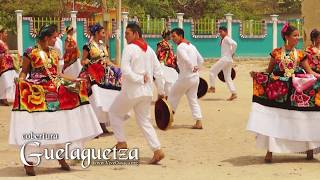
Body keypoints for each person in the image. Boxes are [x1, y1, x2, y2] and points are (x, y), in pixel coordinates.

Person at [10, 24, 102, 176]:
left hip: (54, 88)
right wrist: (20, 82)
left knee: (62, 120)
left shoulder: (55, 53)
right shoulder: (30, 52)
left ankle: (61, 156)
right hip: (37, 91)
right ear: (46, 38)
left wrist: (76, 80)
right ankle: (30, 160)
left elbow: (58, 75)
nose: (56, 39)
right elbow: (24, 72)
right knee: (37, 126)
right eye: (54, 37)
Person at [247, 23, 320, 163]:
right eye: (295, 35)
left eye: (298, 35)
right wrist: (257, 75)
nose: (297, 38)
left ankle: (309, 149)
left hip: (296, 93)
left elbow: (310, 72)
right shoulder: (276, 53)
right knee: (275, 119)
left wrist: (318, 77)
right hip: (277, 91)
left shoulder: (300, 54)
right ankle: (270, 151)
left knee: (302, 118)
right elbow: (269, 72)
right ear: (286, 37)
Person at [109, 23, 165, 164]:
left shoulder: (129, 48)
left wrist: (139, 78)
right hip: (147, 92)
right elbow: (158, 72)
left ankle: (121, 142)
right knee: (144, 121)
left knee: (114, 113)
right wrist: (161, 91)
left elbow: (125, 71)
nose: (126, 36)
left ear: (136, 34)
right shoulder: (150, 50)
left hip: (132, 91)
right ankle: (157, 150)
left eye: (128, 33)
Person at [79, 23, 122, 136]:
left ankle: (102, 125)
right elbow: (82, 61)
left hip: (104, 76)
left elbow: (107, 60)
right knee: (95, 100)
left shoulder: (104, 46)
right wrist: (87, 62)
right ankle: (95, 127)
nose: (104, 34)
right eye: (102, 32)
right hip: (92, 76)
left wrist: (117, 67)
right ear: (96, 33)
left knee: (104, 100)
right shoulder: (87, 46)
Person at [167, 28, 204, 129]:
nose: (172, 39)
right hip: (195, 78)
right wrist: (197, 68)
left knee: (172, 96)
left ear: (180, 36)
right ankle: (198, 121)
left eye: (174, 36)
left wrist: (192, 67)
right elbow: (201, 59)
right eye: (172, 37)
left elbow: (185, 58)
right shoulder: (191, 46)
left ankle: (168, 120)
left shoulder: (180, 47)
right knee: (193, 99)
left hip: (185, 78)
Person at [208, 26, 237, 101]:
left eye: (221, 32)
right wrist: (231, 53)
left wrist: (232, 53)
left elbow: (234, 44)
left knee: (212, 71)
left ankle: (212, 87)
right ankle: (233, 93)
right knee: (227, 77)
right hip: (228, 59)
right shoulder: (224, 39)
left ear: (226, 32)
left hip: (225, 59)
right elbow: (232, 46)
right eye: (219, 32)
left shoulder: (226, 38)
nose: (220, 33)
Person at [0, 26, 20, 106]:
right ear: (1, 34)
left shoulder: (3, 43)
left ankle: (3, 98)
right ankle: (3, 98)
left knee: (6, 81)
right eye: (5, 33)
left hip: (6, 66)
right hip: (3, 66)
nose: (7, 35)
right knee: (5, 81)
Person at [156, 29, 178, 97]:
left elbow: (170, 54)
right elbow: (158, 53)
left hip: (169, 64)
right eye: (170, 35)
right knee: (164, 81)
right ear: (167, 35)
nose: (171, 36)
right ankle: (162, 96)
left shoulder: (169, 44)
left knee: (168, 81)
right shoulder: (162, 43)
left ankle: (165, 96)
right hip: (163, 64)